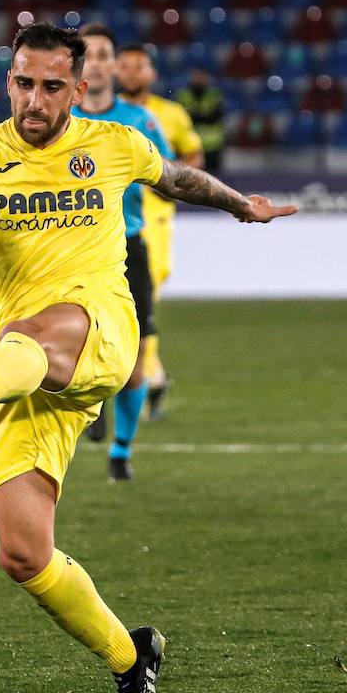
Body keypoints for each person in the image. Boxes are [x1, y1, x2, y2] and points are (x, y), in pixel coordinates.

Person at [0, 23, 293, 693]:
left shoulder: (112, 143)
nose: (34, 100)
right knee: (22, 552)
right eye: (23, 84)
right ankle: (133, 657)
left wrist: (242, 204)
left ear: (79, 88)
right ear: (9, 82)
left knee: (33, 334)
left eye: (52, 86)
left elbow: (177, 179)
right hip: (22, 370)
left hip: (97, 330)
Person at [70, 23, 175, 483]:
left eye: (103, 54)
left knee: (133, 359)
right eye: (87, 54)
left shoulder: (139, 122)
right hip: (68, 248)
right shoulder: (60, 119)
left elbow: (170, 181)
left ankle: (120, 449)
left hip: (126, 246)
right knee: (70, 346)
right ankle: (90, 404)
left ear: (114, 64)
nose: (95, 61)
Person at [117, 44, 206, 420]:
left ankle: (139, 377)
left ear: (152, 74)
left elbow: (194, 155)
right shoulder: (103, 113)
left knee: (142, 298)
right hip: (113, 215)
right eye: (126, 66)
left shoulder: (169, 114)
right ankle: (150, 376)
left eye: (140, 67)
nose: (133, 73)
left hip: (155, 216)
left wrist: (167, 177)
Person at [176, 67, 226, 175]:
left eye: (202, 76)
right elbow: (181, 118)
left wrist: (195, 115)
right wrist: (203, 115)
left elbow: (215, 116)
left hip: (213, 146)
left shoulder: (214, 94)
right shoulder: (183, 95)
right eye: (197, 76)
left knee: (215, 180)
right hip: (190, 147)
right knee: (191, 180)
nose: (199, 79)